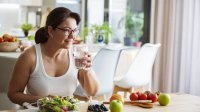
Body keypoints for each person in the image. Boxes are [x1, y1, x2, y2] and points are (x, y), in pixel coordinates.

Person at [7, 7, 100, 105]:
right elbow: (13, 94)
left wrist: (88, 70)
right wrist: (43, 100)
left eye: (75, 30)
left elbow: (92, 92)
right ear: (50, 30)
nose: (72, 36)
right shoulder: (30, 56)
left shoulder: (77, 55)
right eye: (67, 30)